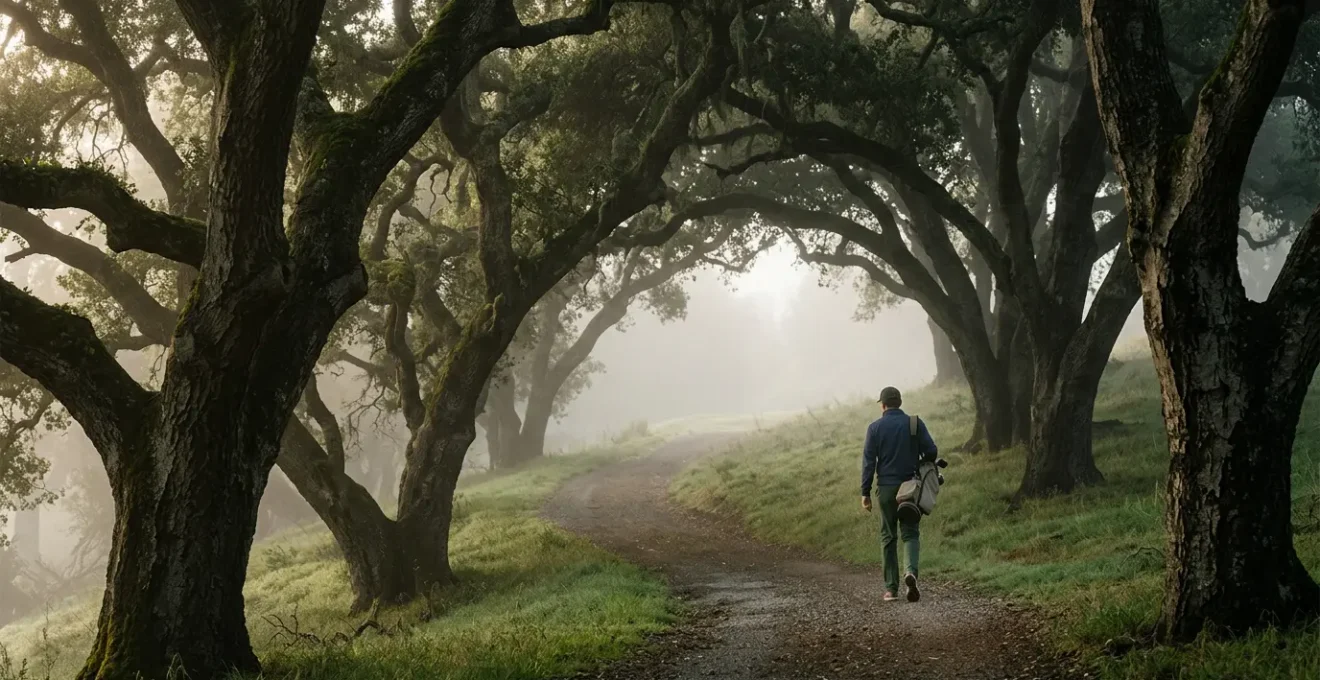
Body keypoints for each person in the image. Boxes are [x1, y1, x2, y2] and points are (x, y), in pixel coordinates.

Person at [861, 386, 937, 602]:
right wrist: (918, 462)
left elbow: (868, 463)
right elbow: (932, 451)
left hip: (885, 488)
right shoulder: (914, 423)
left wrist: (865, 492)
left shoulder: (874, 428)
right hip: (910, 488)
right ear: (900, 403)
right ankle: (910, 572)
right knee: (910, 533)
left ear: (883, 405)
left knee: (888, 536)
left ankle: (891, 589)